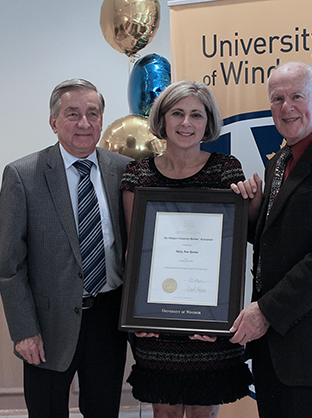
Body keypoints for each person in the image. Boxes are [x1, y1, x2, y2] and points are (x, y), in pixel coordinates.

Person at [0, 79, 132, 418]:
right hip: (47, 324)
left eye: (92, 113)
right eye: (72, 114)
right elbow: (11, 266)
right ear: (54, 121)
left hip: (108, 319)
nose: (84, 124)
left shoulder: (123, 171)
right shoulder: (23, 176)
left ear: (102, 120)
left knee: (103, 411)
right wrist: (25, 330)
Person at [121, 80, 254, 418]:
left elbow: (235, 247)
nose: (186, 123)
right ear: (162, 119)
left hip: (208, 323)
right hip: (155, 324)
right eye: (177, 113)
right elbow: (134, 253)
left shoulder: (226, 169)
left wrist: (253, 199)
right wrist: (137, 312)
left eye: (196, 115)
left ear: (207, 123)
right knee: (163, 413)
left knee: (201, 413)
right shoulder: (138, 174)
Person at [230, 61, 312, 418]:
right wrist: (252, 213)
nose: (287, 107)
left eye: (297, 96)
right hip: (274, 352)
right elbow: (278, 241)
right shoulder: (280, 161)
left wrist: (266, 311)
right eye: (277, 99)